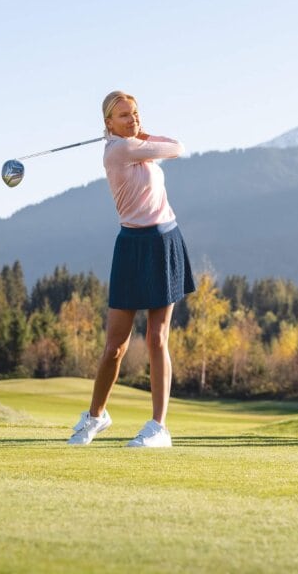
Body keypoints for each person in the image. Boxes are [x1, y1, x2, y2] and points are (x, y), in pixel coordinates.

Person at [68, 90, 196, 448]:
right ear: (108, 122)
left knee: (157, 338)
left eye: (135, 114)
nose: (133, 120)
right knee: (115, 346)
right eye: (123, 115)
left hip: (164, 241)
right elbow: (176, 147)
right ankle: (96, 416)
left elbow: (176, 146)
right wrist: (139, 136)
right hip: (131, 246)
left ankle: (159, 427)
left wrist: (138, 134)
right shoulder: (120, 151)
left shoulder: (133, 145)